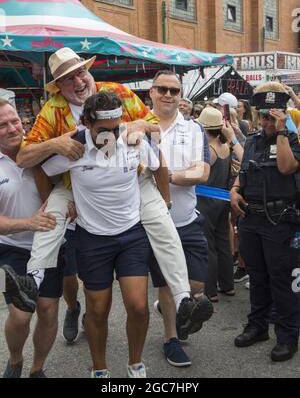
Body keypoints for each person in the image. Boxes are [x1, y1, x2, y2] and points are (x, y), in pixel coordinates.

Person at [3, 48, 204, 342]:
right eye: (68, 79)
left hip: (132, 180)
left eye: (80, 72)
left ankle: (185, 299)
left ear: (89, 71)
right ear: (59, 87)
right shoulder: (53, 109)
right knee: (50, 216)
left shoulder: (117, 91)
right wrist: (55, 143)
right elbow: (26, 159)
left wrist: (138, 126)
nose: (78, 81)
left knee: (162, 221)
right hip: (76, 186)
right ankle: (31, 281)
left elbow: (155, 134)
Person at [42, 91, 160, 378]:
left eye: (116, 128)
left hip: (131, 234)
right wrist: (57, 200)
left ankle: (135, 364)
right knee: (97, 310)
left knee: (139, 306)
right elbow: (41, 169)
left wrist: (164, 202)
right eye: (103, 131)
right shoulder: (74, 148)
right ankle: (99, 369)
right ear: (86, 124)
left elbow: (158, 164)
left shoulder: (133, 142)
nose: (111, 136)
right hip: (92, 238)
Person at [231, 82, 300, 362]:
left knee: (281, 281)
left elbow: (286, 167)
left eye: (273, 115)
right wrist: (235, 190)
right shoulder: (253, 140)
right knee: (257, 279)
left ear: (283, 114)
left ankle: (287, 336)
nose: (266, 121)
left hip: (280, 222)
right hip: (252, 220)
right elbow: (244, 173)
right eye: (263, 116)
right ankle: (257, 326)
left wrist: (284, 131)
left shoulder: (293, 141)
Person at [149, 70, 213, 367]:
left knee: (197, 286)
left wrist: (165, 175)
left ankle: (169, 307)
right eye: (162, 89)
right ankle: (171, 340)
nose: (168, 95)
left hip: (187, 219)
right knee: (167, 282)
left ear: (181, 95)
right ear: (151, 92)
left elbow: (202, 173)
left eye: (174, 91)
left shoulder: (194, 128)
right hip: (154, 223)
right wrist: (181, 175)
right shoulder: (138, 126)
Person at [0, 99, 65, 378]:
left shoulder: (42, 149)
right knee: (20, 313)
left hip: (51, 243)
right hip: (13, 246)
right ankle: (15, 360)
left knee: (48, 311)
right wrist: (27, 223)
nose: (13, 128)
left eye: (15, 121)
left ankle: (37, 369)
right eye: (2, 125)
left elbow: (70, 189)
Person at [197, 107, 243, 302]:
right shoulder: (225, 146)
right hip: (222, 200)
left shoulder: (207, 149)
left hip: (205, 200)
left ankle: (210, 290)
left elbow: (199, 175)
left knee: (207, 244)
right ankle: (227, 285)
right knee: (223, 242)